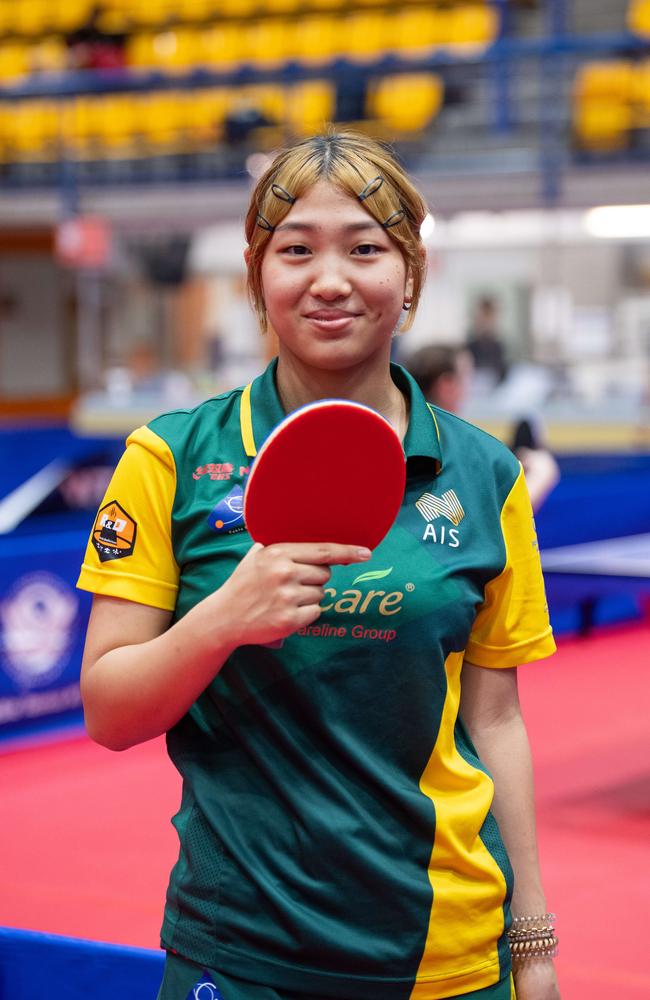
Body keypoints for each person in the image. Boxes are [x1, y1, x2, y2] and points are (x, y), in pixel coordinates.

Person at [78, 130, 561, 1000]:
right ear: (259, 277)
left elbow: (496, 727)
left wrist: (532, 947)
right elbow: (110, 710)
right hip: (241, 948)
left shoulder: (487, 476)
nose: (330, 279)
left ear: (410, 275)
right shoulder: (170, 459)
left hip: (444, 951)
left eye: (366, 249)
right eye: (296, 250)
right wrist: (224, 618)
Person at [407, 344, 560, 513]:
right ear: (447, 385)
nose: (470, 388)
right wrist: (542, 475)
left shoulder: (407, 437)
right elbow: (492, 518)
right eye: (466, 377)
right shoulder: (452, 450)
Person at [465, 295, 509, 386]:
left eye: (489, 317)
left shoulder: (498, 346)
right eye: (482, 317)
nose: (485, 322)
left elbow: (503, 371)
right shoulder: (470, 346)